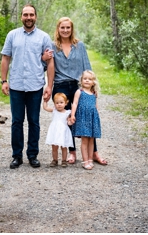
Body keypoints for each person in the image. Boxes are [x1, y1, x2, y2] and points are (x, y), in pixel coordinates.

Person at [44, 17, 107, 166]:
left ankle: (94, 153)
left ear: (72, 29)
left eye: (68, 28)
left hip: (79, 86)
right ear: (58, 29)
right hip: (60, 86)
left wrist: (92, 87)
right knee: (66, 120)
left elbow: (87, 67)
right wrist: (49, 87)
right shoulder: (53, 47)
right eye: (62, 28)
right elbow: (48, 68)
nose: (65, 30)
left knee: (87, 117)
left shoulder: (80, 46)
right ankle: (72, 152)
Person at [0, 4, 55, 169]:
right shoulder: (12, 35)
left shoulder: (44, 37)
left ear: (35, 17)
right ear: (21, 17)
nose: (28, 17)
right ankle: (17, 156)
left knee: (34, 121)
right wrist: (4, 81)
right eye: (25, 15)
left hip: (35, 85)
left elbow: (50, 62)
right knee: (17, 122)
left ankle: (32, 155)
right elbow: (5, 58)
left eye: (31, 14)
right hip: (16, 85)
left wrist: (49, 86)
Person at [70, 70, 102, 170]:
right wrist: (72, 115)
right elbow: (74, 104)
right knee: (84, 140)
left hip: (92, 118)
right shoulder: (79, 92)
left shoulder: (94, 93)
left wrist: (97, 115)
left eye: (90, 79)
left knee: (91, 140)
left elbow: (95, 106)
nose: (87, 81)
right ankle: (85, 161)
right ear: (81, 80)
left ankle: (90, 159)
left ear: (93, 82)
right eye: (85, 79)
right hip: (83, 118)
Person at [43, 93, 74, 167]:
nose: (59, 104)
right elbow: (45, 108)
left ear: (66, 103)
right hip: (55, 131)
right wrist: (45, 101)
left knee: (64, 147)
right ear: (54, 104)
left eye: (61, 102)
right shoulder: (54, 110)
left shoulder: (67, 112)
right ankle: (55, 160)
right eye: (57, 103)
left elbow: (69, 122)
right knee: (54, 147)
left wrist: (70, 122)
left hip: (63, 131)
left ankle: (64, 160)